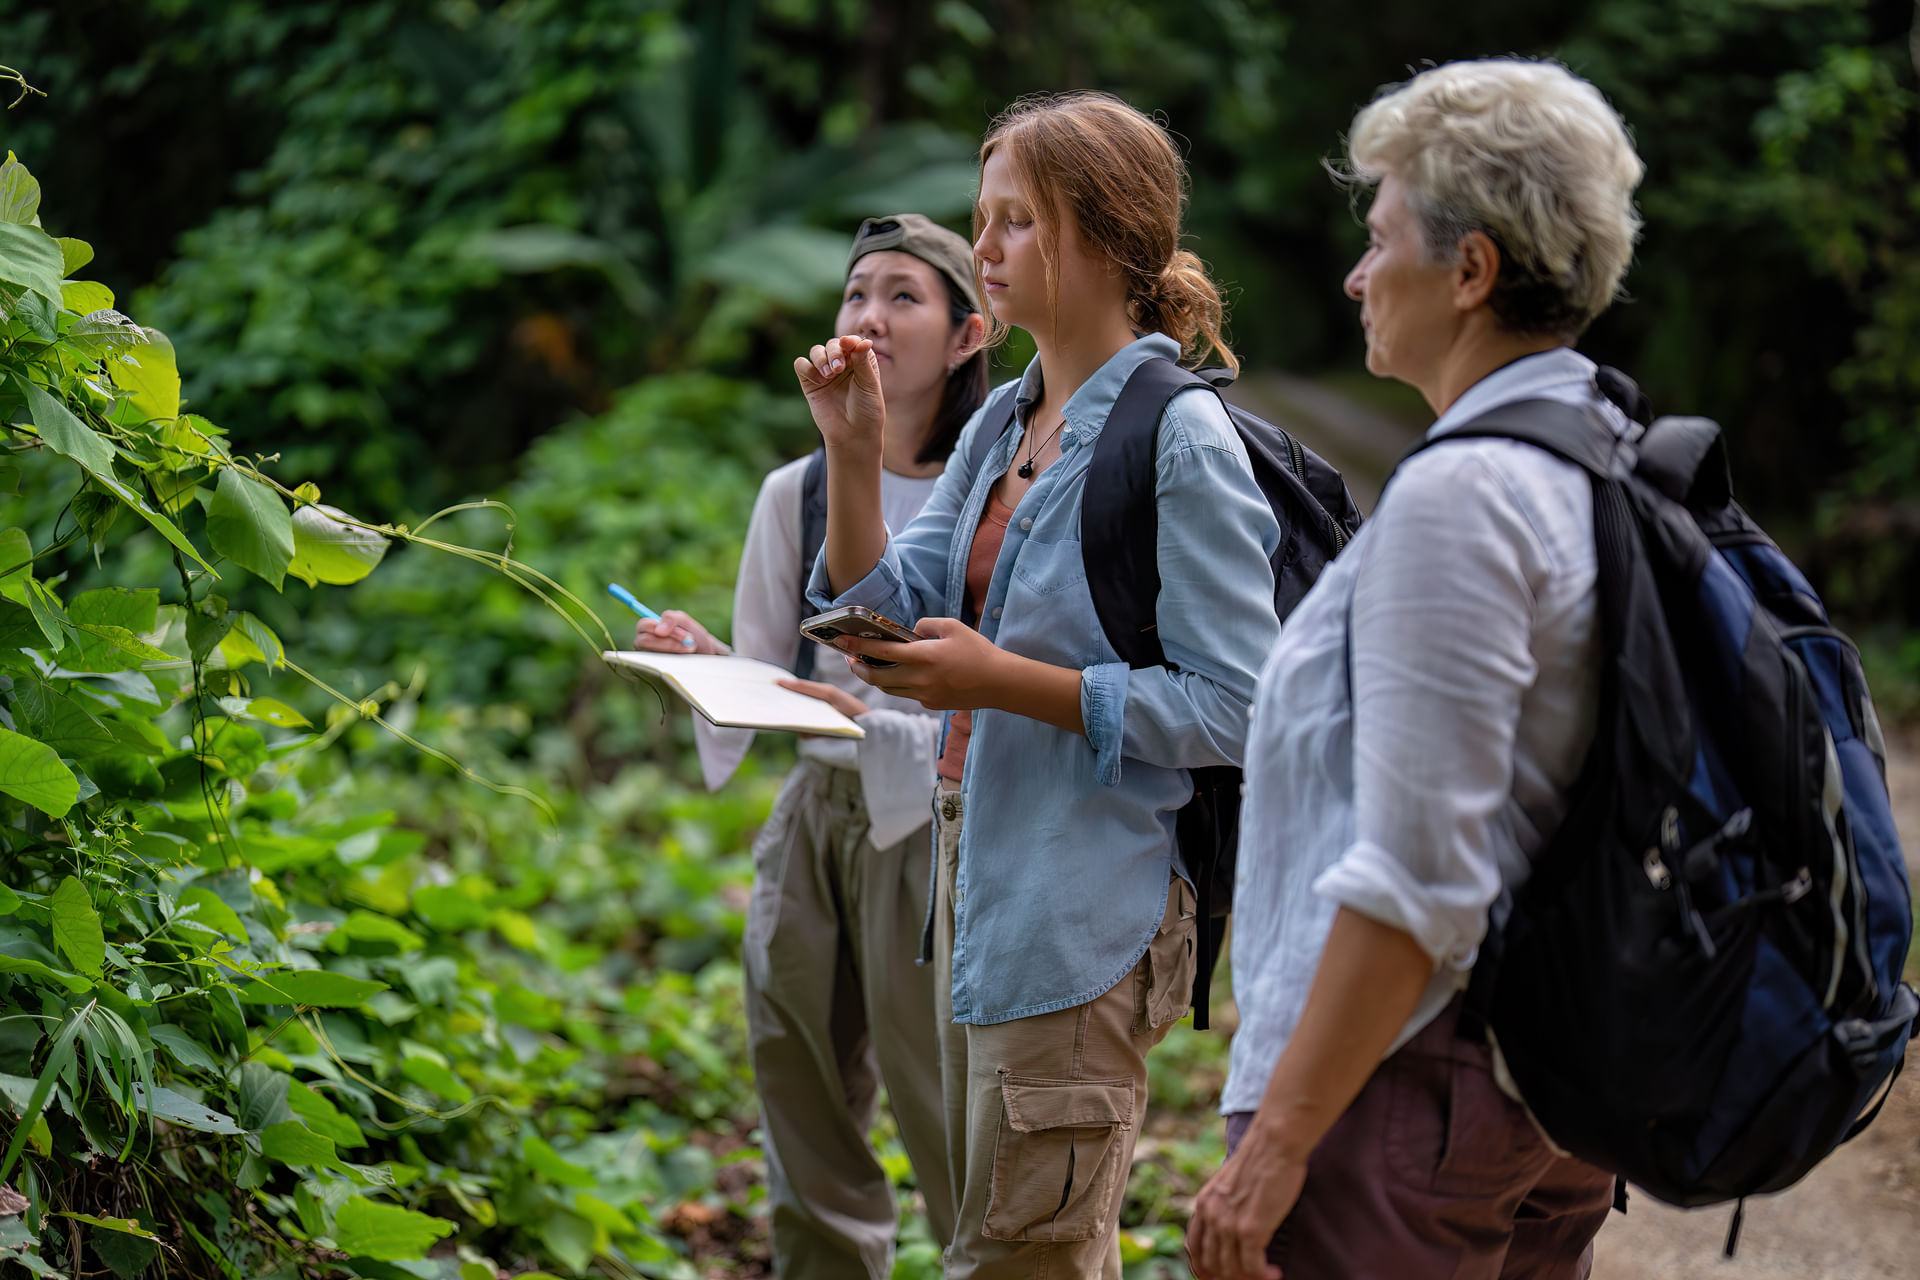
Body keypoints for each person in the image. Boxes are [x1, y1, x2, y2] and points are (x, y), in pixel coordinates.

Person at [796, 92, 1282, 1278]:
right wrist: (853, 453)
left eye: (1019, 221)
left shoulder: (1179, 440)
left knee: (1021, 1253)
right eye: (984, 217)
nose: (989, 249)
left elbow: (1242, 707)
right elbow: (896, 595)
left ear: (1111, 239)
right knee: (1021, 1244)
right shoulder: (1008, 415)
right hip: (976, 880)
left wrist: (1007, 681)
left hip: (1082, 907)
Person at [1185, 58, 1646, 1280]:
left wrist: (1277, 1141)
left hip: (1411, 1090)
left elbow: (1416, 877)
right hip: (1548, 1073)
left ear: (1471, 268)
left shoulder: (1464, 497)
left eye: (1380, 234)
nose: (1356, 271)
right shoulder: (1599, 453)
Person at [633, 213, 987, 1280]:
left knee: (942, 1100)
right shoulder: (798, 488)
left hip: (941, 820)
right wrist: (706, 656)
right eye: (855, 294)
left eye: (904, 296)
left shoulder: (994, 491)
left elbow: (1000, 688)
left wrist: (873, 716)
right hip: (816, 815)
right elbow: (767, 663)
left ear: (969, 336)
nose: (870, 318)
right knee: (800, 1080)